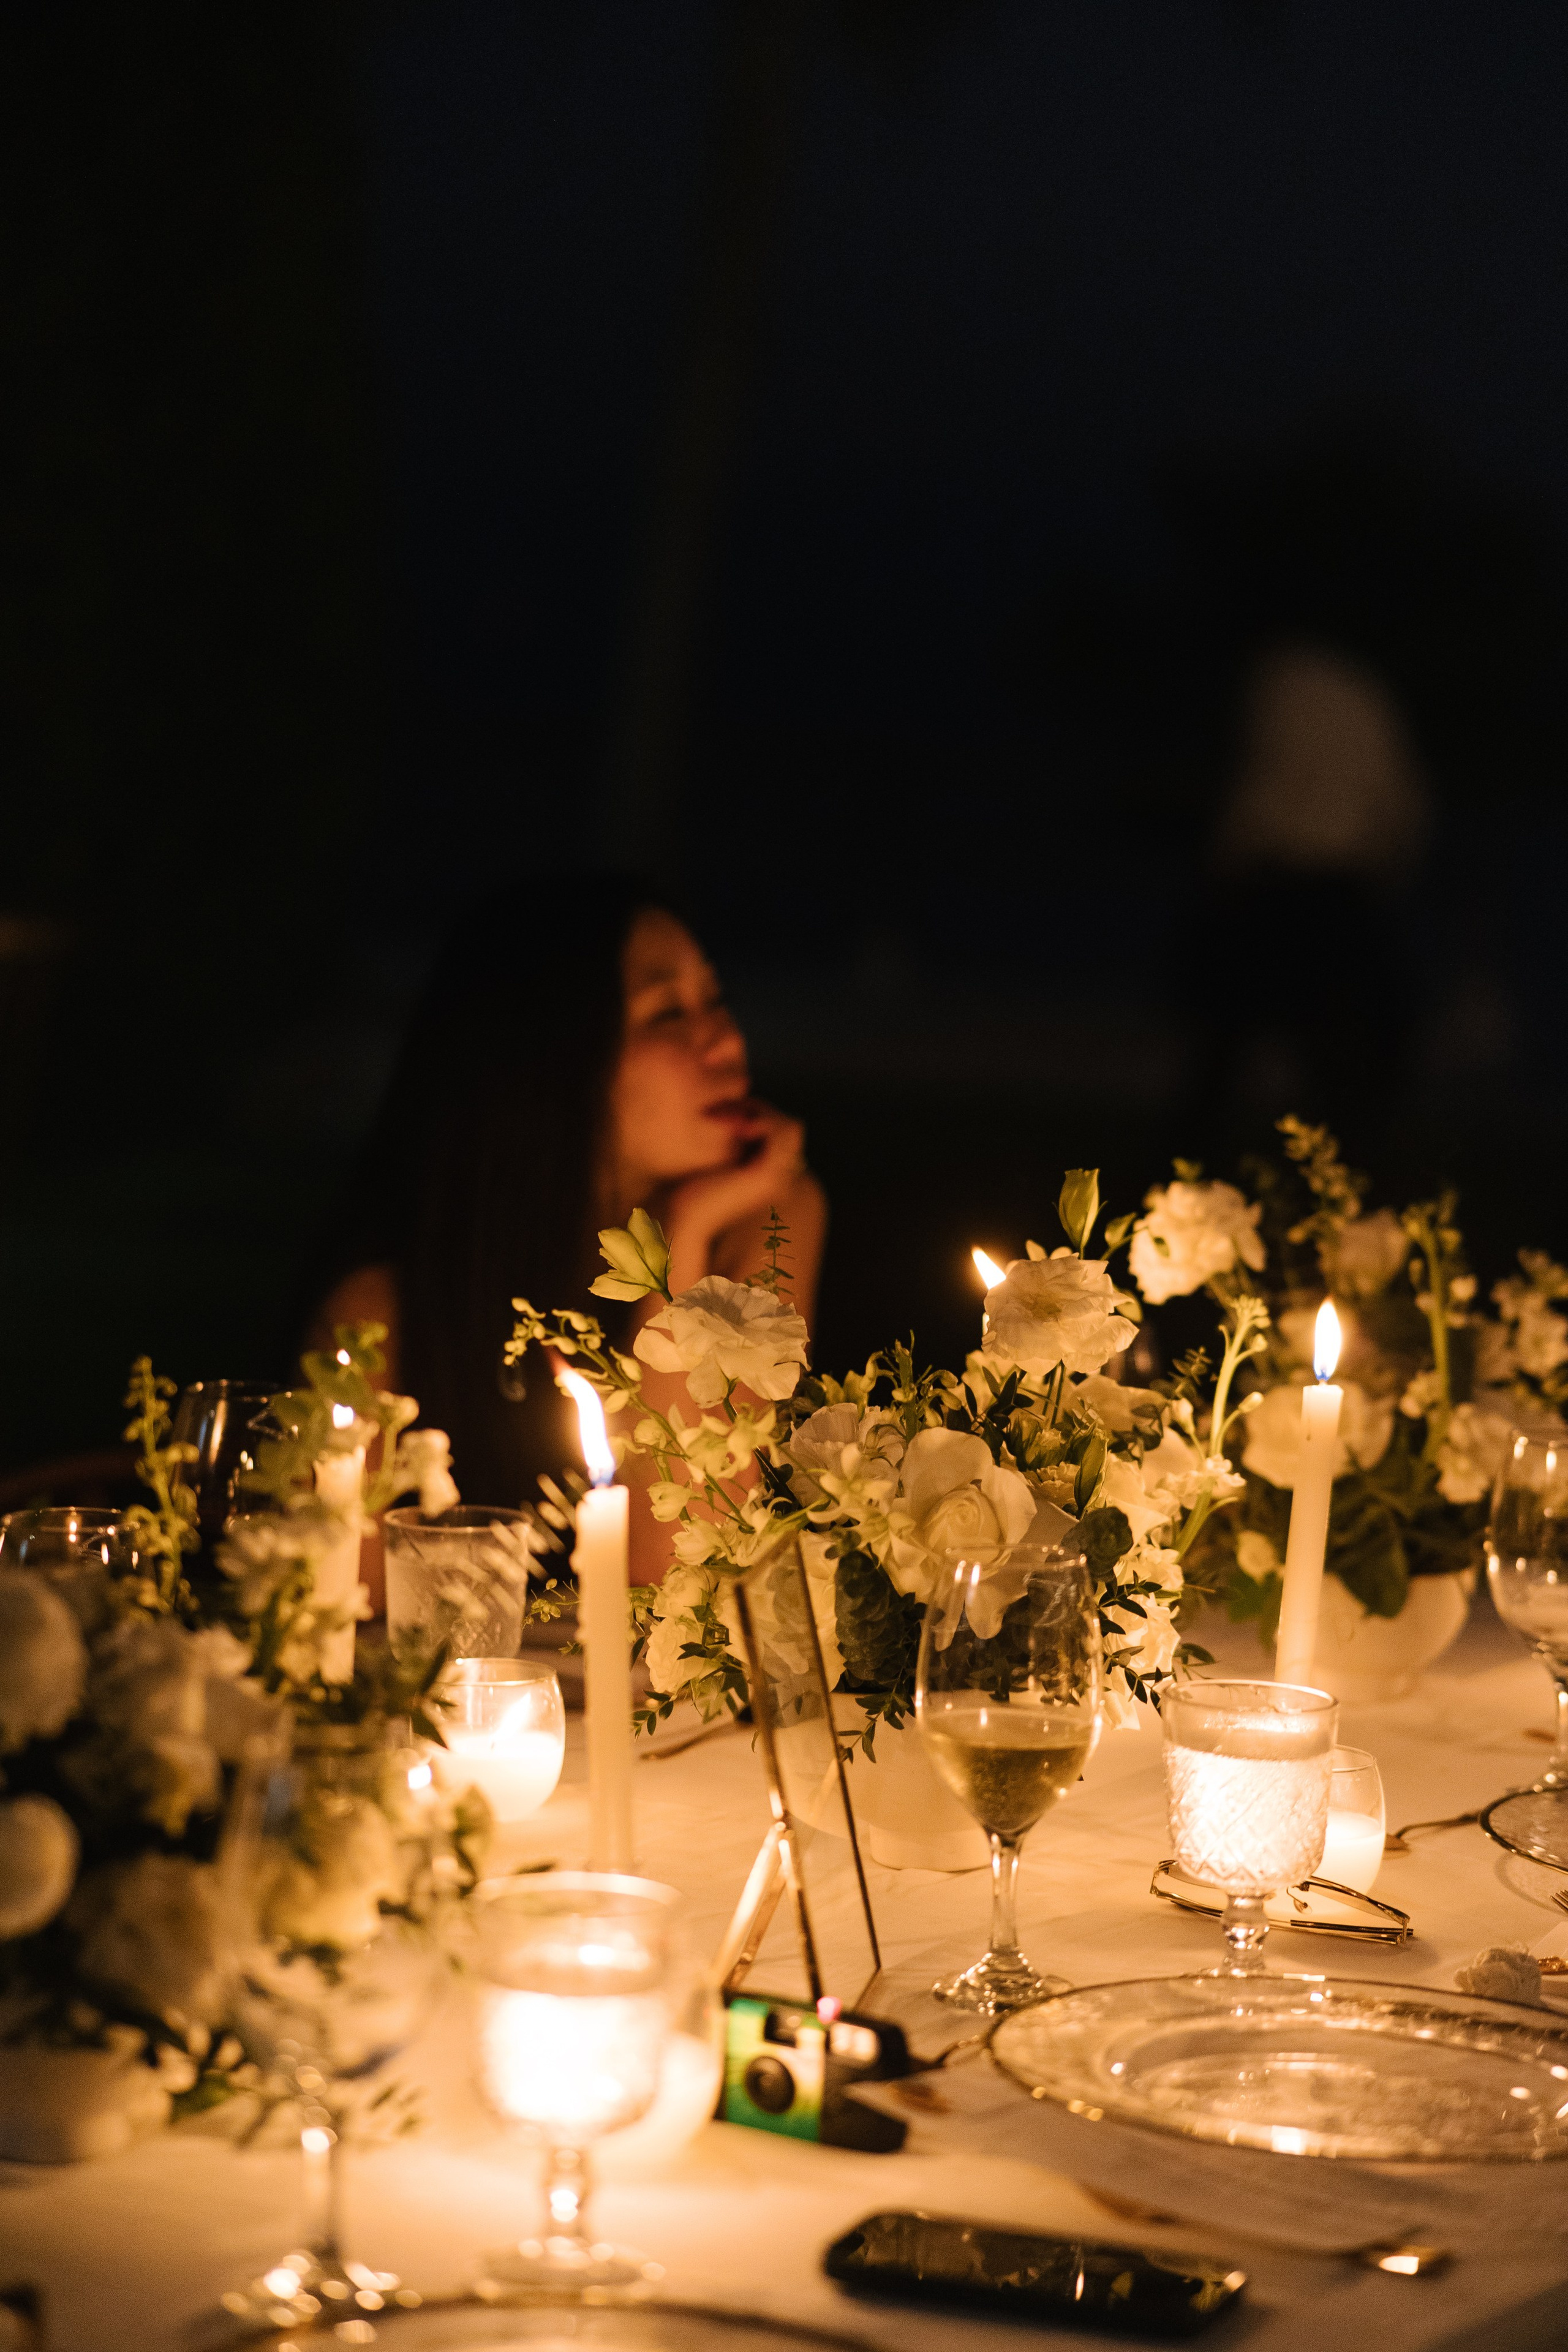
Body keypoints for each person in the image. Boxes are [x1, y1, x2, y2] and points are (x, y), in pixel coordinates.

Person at [306, 876, 825, 1593]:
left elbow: (681, 1570)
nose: (727, 1042)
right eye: (668, 1014)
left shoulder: (759, 1217)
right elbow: (340, 1617)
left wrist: (680, 1245)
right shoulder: (387, 1309)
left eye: (715, 1001)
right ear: (551, 1060)